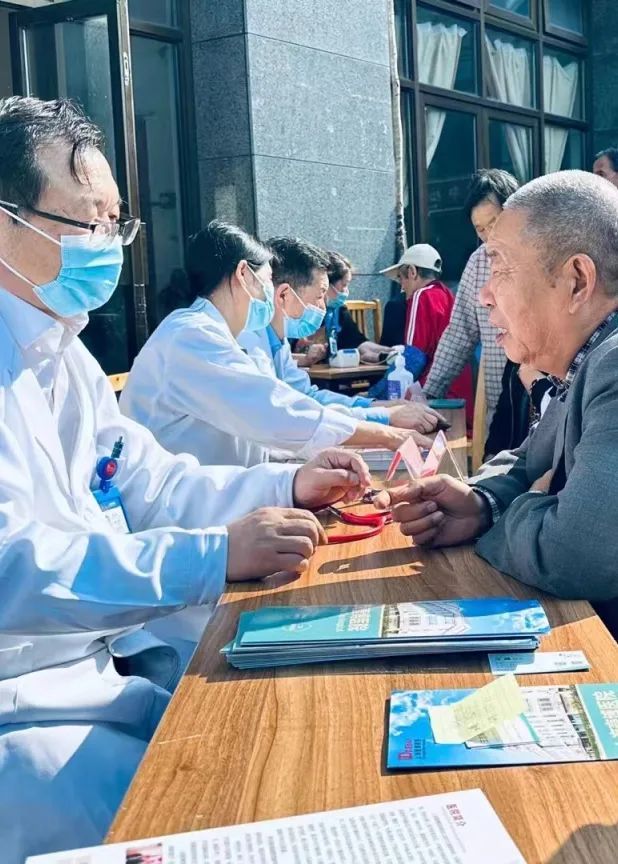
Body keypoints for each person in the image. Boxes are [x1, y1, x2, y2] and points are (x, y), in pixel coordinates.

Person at [0, 96, 372, 863]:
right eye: (89, 223)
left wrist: (286, 491)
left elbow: (154, 483)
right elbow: (14, 568)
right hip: (24, 712)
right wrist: (211, 554)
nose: (109, 246)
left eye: (117, 224)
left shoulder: (61, 353)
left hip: (101, 668)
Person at [378, 170, 618, 608]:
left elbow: (575, 554)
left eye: (501, 267)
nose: (484, 295)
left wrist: (516, 510)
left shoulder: (613, 365)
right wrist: (480, 503)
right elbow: (530, 460)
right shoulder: (581, 364)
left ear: (577, 282)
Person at [121, 222, 433, 469]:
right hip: (185, 506)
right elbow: (278, 412)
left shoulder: (219, 332)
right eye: (267, 281)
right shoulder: (192, 336)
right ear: (244, 275)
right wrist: (385, 430)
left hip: (222, 489)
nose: (271, 295)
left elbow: (293, 406)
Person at [238, 237, 446, 435]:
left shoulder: (277, 340)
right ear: (283, 294)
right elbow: (289, 416)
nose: (323, 306)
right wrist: (383, 416)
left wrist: (377, 406)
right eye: (320, 295)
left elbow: (307, 396)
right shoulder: (250, 345)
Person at [423, 169, 520, 432]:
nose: (490, 235)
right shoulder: (478, 262)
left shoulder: (542, 255)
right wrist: (429, 394)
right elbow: (460, 333)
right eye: (481, 229)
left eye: (495, 222)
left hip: (549, 404)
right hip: (501, 412)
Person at [379, 243, 474, 431]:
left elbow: (413, 359)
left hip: (434, 401)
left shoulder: (421, 296)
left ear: (412, 272)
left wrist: (375, 396)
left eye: (401, 278)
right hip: (461, 401)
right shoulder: (447, 294)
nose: (402, 287)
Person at [293, 250, 391, 366]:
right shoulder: (299, 311)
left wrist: (388, 351)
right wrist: (306, 357)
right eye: (344, 285)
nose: (346, 291)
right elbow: (281, 356)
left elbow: (357, 342)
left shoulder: (338, 311)